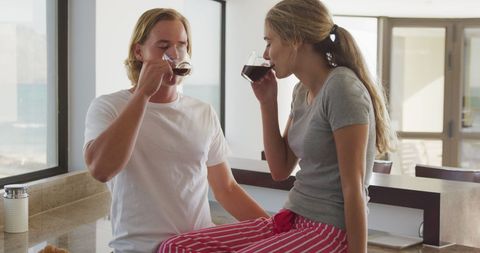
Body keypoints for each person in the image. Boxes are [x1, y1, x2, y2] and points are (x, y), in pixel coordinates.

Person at [158, 0, 396, 252]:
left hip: (330, 229)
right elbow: (280, 169)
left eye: (269, 42)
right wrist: (268, 103)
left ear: (294, 39)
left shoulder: (343, 88)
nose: (266, 54)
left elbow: (355, 187)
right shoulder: (301, 90)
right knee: (176, 247)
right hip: (292, 217)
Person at [83, 8, 269, 253]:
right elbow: (101, 170)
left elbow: (226, 188)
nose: (174, 54)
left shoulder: (203, 111)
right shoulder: (108, 107)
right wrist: (142, 94)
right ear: (139, 52)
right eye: (162, 46)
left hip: (200, 245)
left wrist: (276, 229)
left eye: (181, 45)